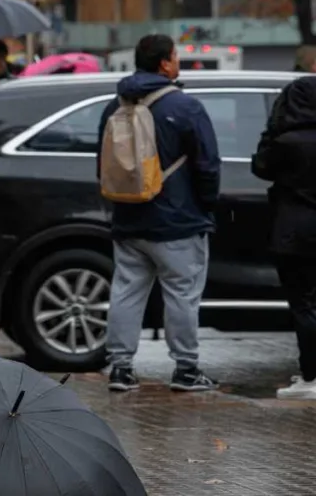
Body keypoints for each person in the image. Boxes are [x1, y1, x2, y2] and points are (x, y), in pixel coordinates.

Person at [98, 34, 221, 393]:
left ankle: (120, 368)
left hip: (128, 217)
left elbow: (102, 164)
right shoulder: (185, 107)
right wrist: (206, 205)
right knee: (182, 294)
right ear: (165, 63)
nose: (177, 62)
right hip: (178, 221)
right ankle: (185, 369)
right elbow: (208, 165)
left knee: (125, 292)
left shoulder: (115, 107)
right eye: (175, 57)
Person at [251, 76, 316, 399]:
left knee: (303, 305)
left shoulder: (285, 143)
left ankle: (311, 375)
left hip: (293, 233)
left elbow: (259, 166)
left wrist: (271, 129)